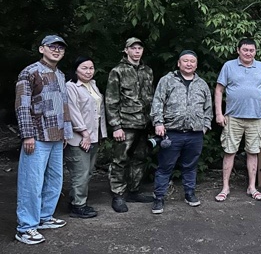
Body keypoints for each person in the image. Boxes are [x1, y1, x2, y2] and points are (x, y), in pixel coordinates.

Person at [14, 35, 73, 245]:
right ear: (42, 49)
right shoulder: (30, 72)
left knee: (55, 180)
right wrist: (27, 134)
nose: (56, 50)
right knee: (31, 182)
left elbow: (64, 105)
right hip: (37, 136)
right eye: (52, 47)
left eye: (60, 48)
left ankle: (44, 217)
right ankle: (26, 227)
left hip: (57, 136)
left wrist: (66, 132)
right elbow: (22, 105)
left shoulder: (60, 74)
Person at [150, 50, 213, 214]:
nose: (189, 64)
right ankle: (159, 198)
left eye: (192, 61)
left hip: (195, 133)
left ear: (196, 64)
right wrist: (158, 123)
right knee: (165, 167)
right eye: (185, 61)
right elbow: (157, 102)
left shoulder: (202, 84)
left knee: (190, 166)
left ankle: (190, 193)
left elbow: (208, 108)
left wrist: (205, 126)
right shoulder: (167, 80)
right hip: (172, 132)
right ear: (179, 63)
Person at [214, 38, 261, 202]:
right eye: (245, 50)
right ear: (238, 50)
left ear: (255, 51)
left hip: (256, 118)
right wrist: (219, 114)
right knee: (229, 152)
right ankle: (225, 188)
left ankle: (252, 187)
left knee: (253, 152)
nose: (248, 53)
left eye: (251, 50)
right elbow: (219, 90)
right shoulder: (229, 66)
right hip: (232, 117)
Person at [105, 37, 155, 213]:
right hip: (125, 123)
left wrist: (153, 121)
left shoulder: (147, 71)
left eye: (139, 48)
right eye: (133, 48)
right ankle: (118, 194)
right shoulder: (117, 71)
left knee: (140, 158)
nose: (137, 51)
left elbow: (151, 96)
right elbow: (111, 100)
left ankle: (134, 190)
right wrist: (116, 126)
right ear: (126, 50)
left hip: (143, 123)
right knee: (120, 160)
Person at [65, 56, 108, 219]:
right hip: (79, 137)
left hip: (94, 135)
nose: (88, 71)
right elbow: (73, 112)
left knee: (88, 172)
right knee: (80, 172)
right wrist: (84, 134)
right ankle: (78, 206)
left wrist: (101, 134)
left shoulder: (93, 85)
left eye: (91, 68)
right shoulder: (71, 87)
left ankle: (74, 200)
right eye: (84, 68)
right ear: (76, 69)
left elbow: (99, 112)